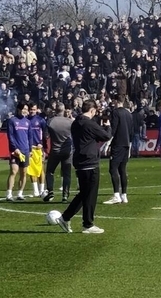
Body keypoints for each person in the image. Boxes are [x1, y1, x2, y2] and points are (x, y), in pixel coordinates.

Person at [57, 100, 111, 234]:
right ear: (92, 110)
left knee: (84, 193)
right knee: (90, 194)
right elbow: (106, 136)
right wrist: (108, 126)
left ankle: (66, 217)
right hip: (89, 162)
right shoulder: (89, 123)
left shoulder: (76, 123)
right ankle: (87, 224)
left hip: (80, 161)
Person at [104, 97, 134, 204]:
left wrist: (107, 144)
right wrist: (130, 146)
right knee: (122, 170)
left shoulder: (115, 112)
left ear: (116, 101)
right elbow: (131, 131)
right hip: (126, 144)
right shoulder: (129, 114)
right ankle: (124, 195)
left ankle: (116, 195)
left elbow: (114, 128)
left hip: (117, 144)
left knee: (113, 169)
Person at [43, 107, 74, 203]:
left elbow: (45, 136)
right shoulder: (70, 122)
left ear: (55, 110)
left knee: (50, 172)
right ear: (64, 110)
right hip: (67, 151)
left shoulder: (51, 121)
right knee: (66, 174)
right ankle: (65, 196)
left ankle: (50, 190)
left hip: (55, 150)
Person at [6, 103, 31, 201]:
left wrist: (30, 150)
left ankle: (20, 193)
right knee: (13, 171)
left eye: (26, 109)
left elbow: (30, 137)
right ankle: (9, 194)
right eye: (24, 108)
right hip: (15, 151)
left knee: (23, 173)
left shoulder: (28, 122)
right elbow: (10, 136)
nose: (25, 110)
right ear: (19, 109)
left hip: (25, 151)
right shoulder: (12, 121)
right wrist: (14, 148)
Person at [28, 104, 48, 197]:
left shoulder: (41, 120)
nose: (32, 111)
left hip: (39, 148)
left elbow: (45, 134)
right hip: (29, 148)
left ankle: (42, 190)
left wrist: (44, 146)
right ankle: (35, 190)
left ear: (37, 110)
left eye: (34, 109)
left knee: (41, 169)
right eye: (31, 109)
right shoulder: (26, 120)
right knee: (31, 169)